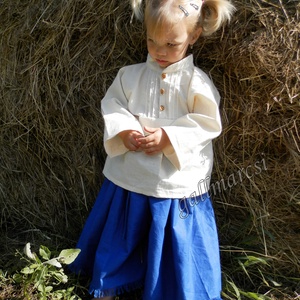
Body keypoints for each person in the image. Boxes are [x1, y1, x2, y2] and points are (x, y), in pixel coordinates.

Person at [70, 0, 235, 299]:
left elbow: (207, 123)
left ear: (194, 36)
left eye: (171, 44)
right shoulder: (130, 76)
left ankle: (175, 287)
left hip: (175, 182)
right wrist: (125, 130)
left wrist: (168, 137)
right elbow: (113, 103)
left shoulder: (196, 83)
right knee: (123, 235)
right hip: (131, 178)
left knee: (175, 240)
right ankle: (110, 280)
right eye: (151, 41)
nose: (159, 51)